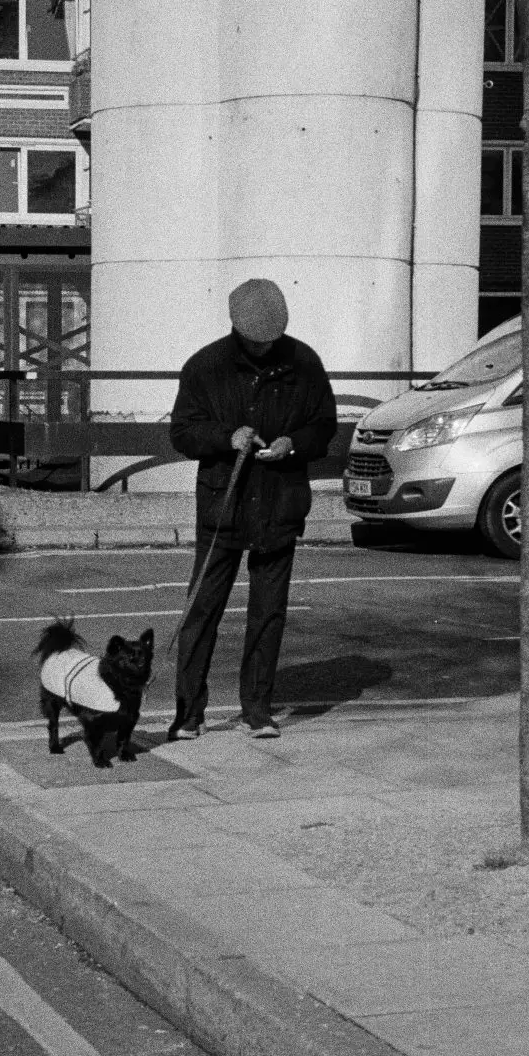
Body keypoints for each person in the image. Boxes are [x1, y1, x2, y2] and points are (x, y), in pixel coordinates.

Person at [168, 277, 337, 740]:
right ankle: (188, 713)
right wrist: (227, 438)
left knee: (269, 611)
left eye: (272, 340)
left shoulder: (305, 363)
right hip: (224, 506)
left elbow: (324, 426)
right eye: (255, 341)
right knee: (203, 608)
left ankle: (257, 709)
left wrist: (293, 444)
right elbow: (182, 432)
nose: (265, 349)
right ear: (236, 328)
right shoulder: (205, 367)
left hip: (279, 504)